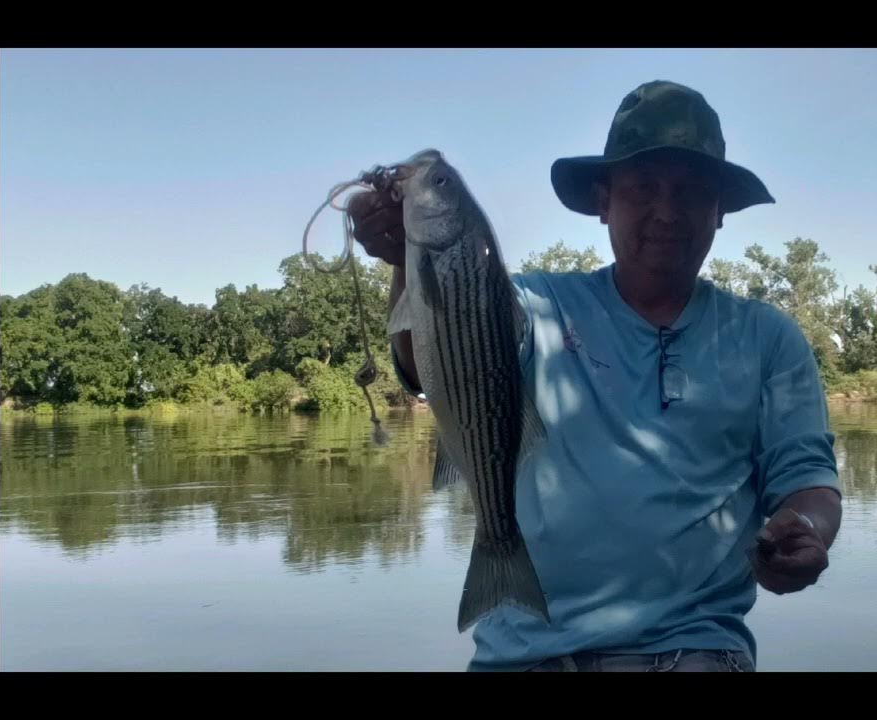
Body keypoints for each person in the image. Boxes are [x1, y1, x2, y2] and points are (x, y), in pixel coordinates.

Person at [348, 80, 842, 672]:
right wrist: (407, 259)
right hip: (524, 657)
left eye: (690, 192)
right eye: (643, 188)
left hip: (695, 650)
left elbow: (807, 477)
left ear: (719, 212)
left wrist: (806, 528)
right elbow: (420, 363)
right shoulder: (534, 304)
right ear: (604, 201)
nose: (666, 211)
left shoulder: (769, 338)